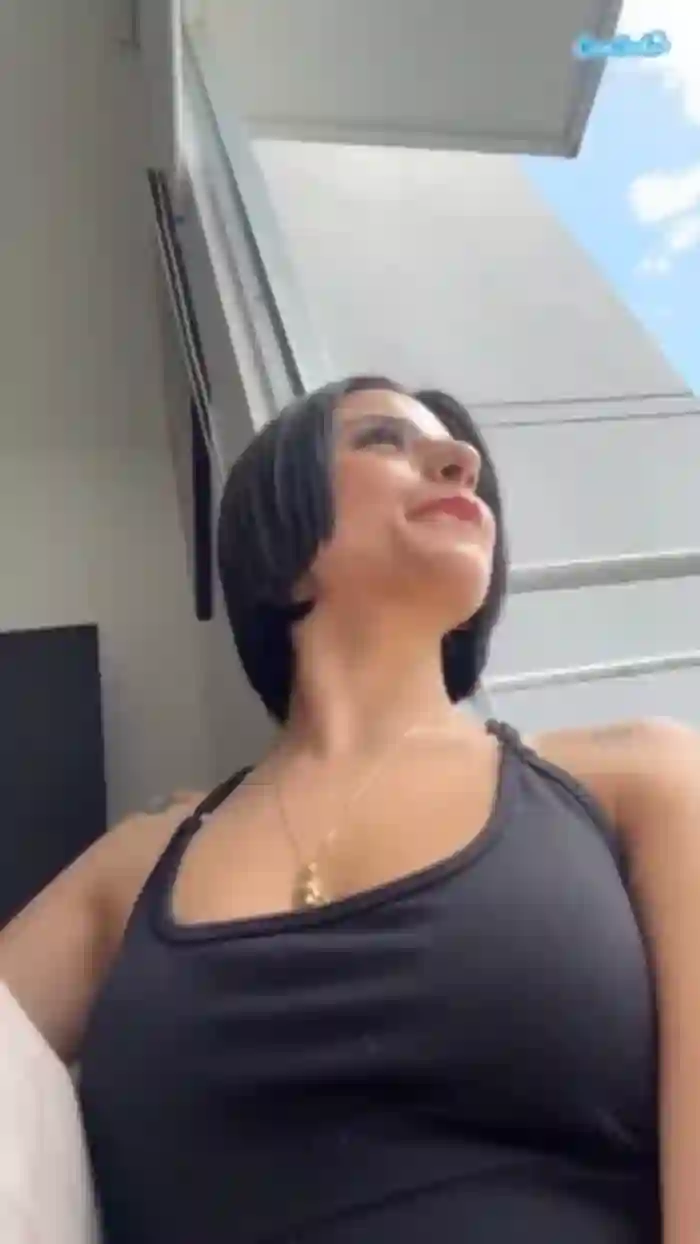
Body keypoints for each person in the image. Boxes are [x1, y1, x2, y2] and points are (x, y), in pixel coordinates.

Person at [0, 375, 698, 1244]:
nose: (461, 459)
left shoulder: (638, 781)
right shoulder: (134, 870)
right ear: (278, 530)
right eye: (384, 439)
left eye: (460, 457)